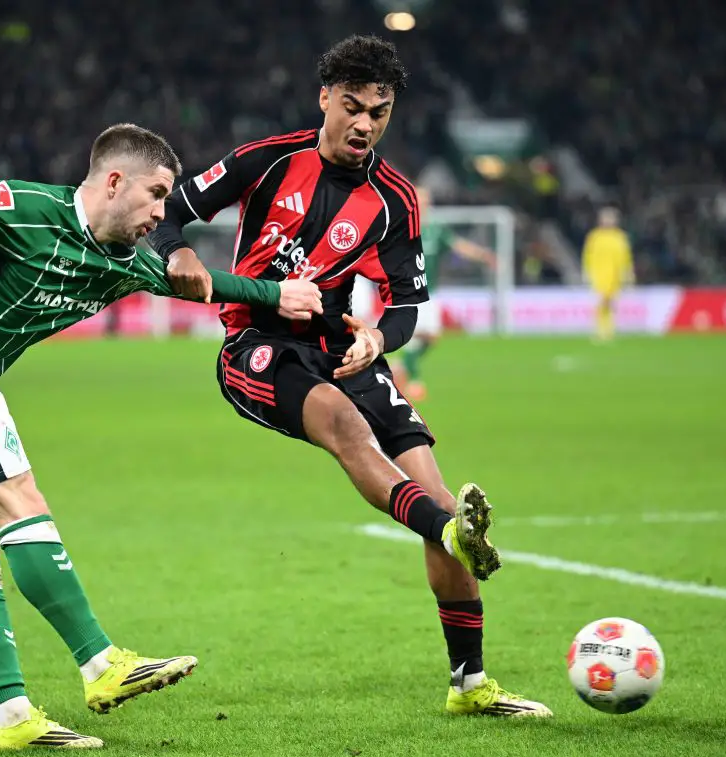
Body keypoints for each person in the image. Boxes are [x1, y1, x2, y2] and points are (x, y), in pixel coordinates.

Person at [0, 123, 323, 751]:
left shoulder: (123, 261)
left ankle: (11, 719)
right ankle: (101, 664)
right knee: (22, 499)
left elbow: (199, 285)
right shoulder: (29, 208)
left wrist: (278, 294)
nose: (162, 212)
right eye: (156, 195)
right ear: (114, 181)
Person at [150, 36, 551, 717]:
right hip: (256, 343)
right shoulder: (266, 159)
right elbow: (170, 213)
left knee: (434, 490)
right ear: (326, 99)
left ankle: (470, 684)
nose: (366, 123)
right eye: (354, 106)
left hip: (340, 346)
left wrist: (376, 336)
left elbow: (408, 303)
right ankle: (452, 532)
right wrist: (182, 250)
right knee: (343, 423)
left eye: (381, 112)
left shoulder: (395, 200)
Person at [389, 186, 496, 401]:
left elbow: (458, 246)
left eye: (426, 200)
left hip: (431, 293)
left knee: (430, 337)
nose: (423, 204)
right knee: (419, 334)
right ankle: (414, 381)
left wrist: (483, 255)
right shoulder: (400, 229)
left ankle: (400, 366)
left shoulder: (436, 228)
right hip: (409, 293)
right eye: (419, 200)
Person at [581, 206, 634, 342]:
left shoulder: (620, 237)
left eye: (611, 218)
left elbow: (626, 257)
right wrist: (586, 272)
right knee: (601, 301)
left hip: (615, 274)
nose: (608, 221)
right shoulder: (594, 236)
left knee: (611, 303)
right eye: (605, 218)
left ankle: (609, 330)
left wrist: (628, 272)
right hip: (599, 273)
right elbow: (588, 255)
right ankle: (600, 330)